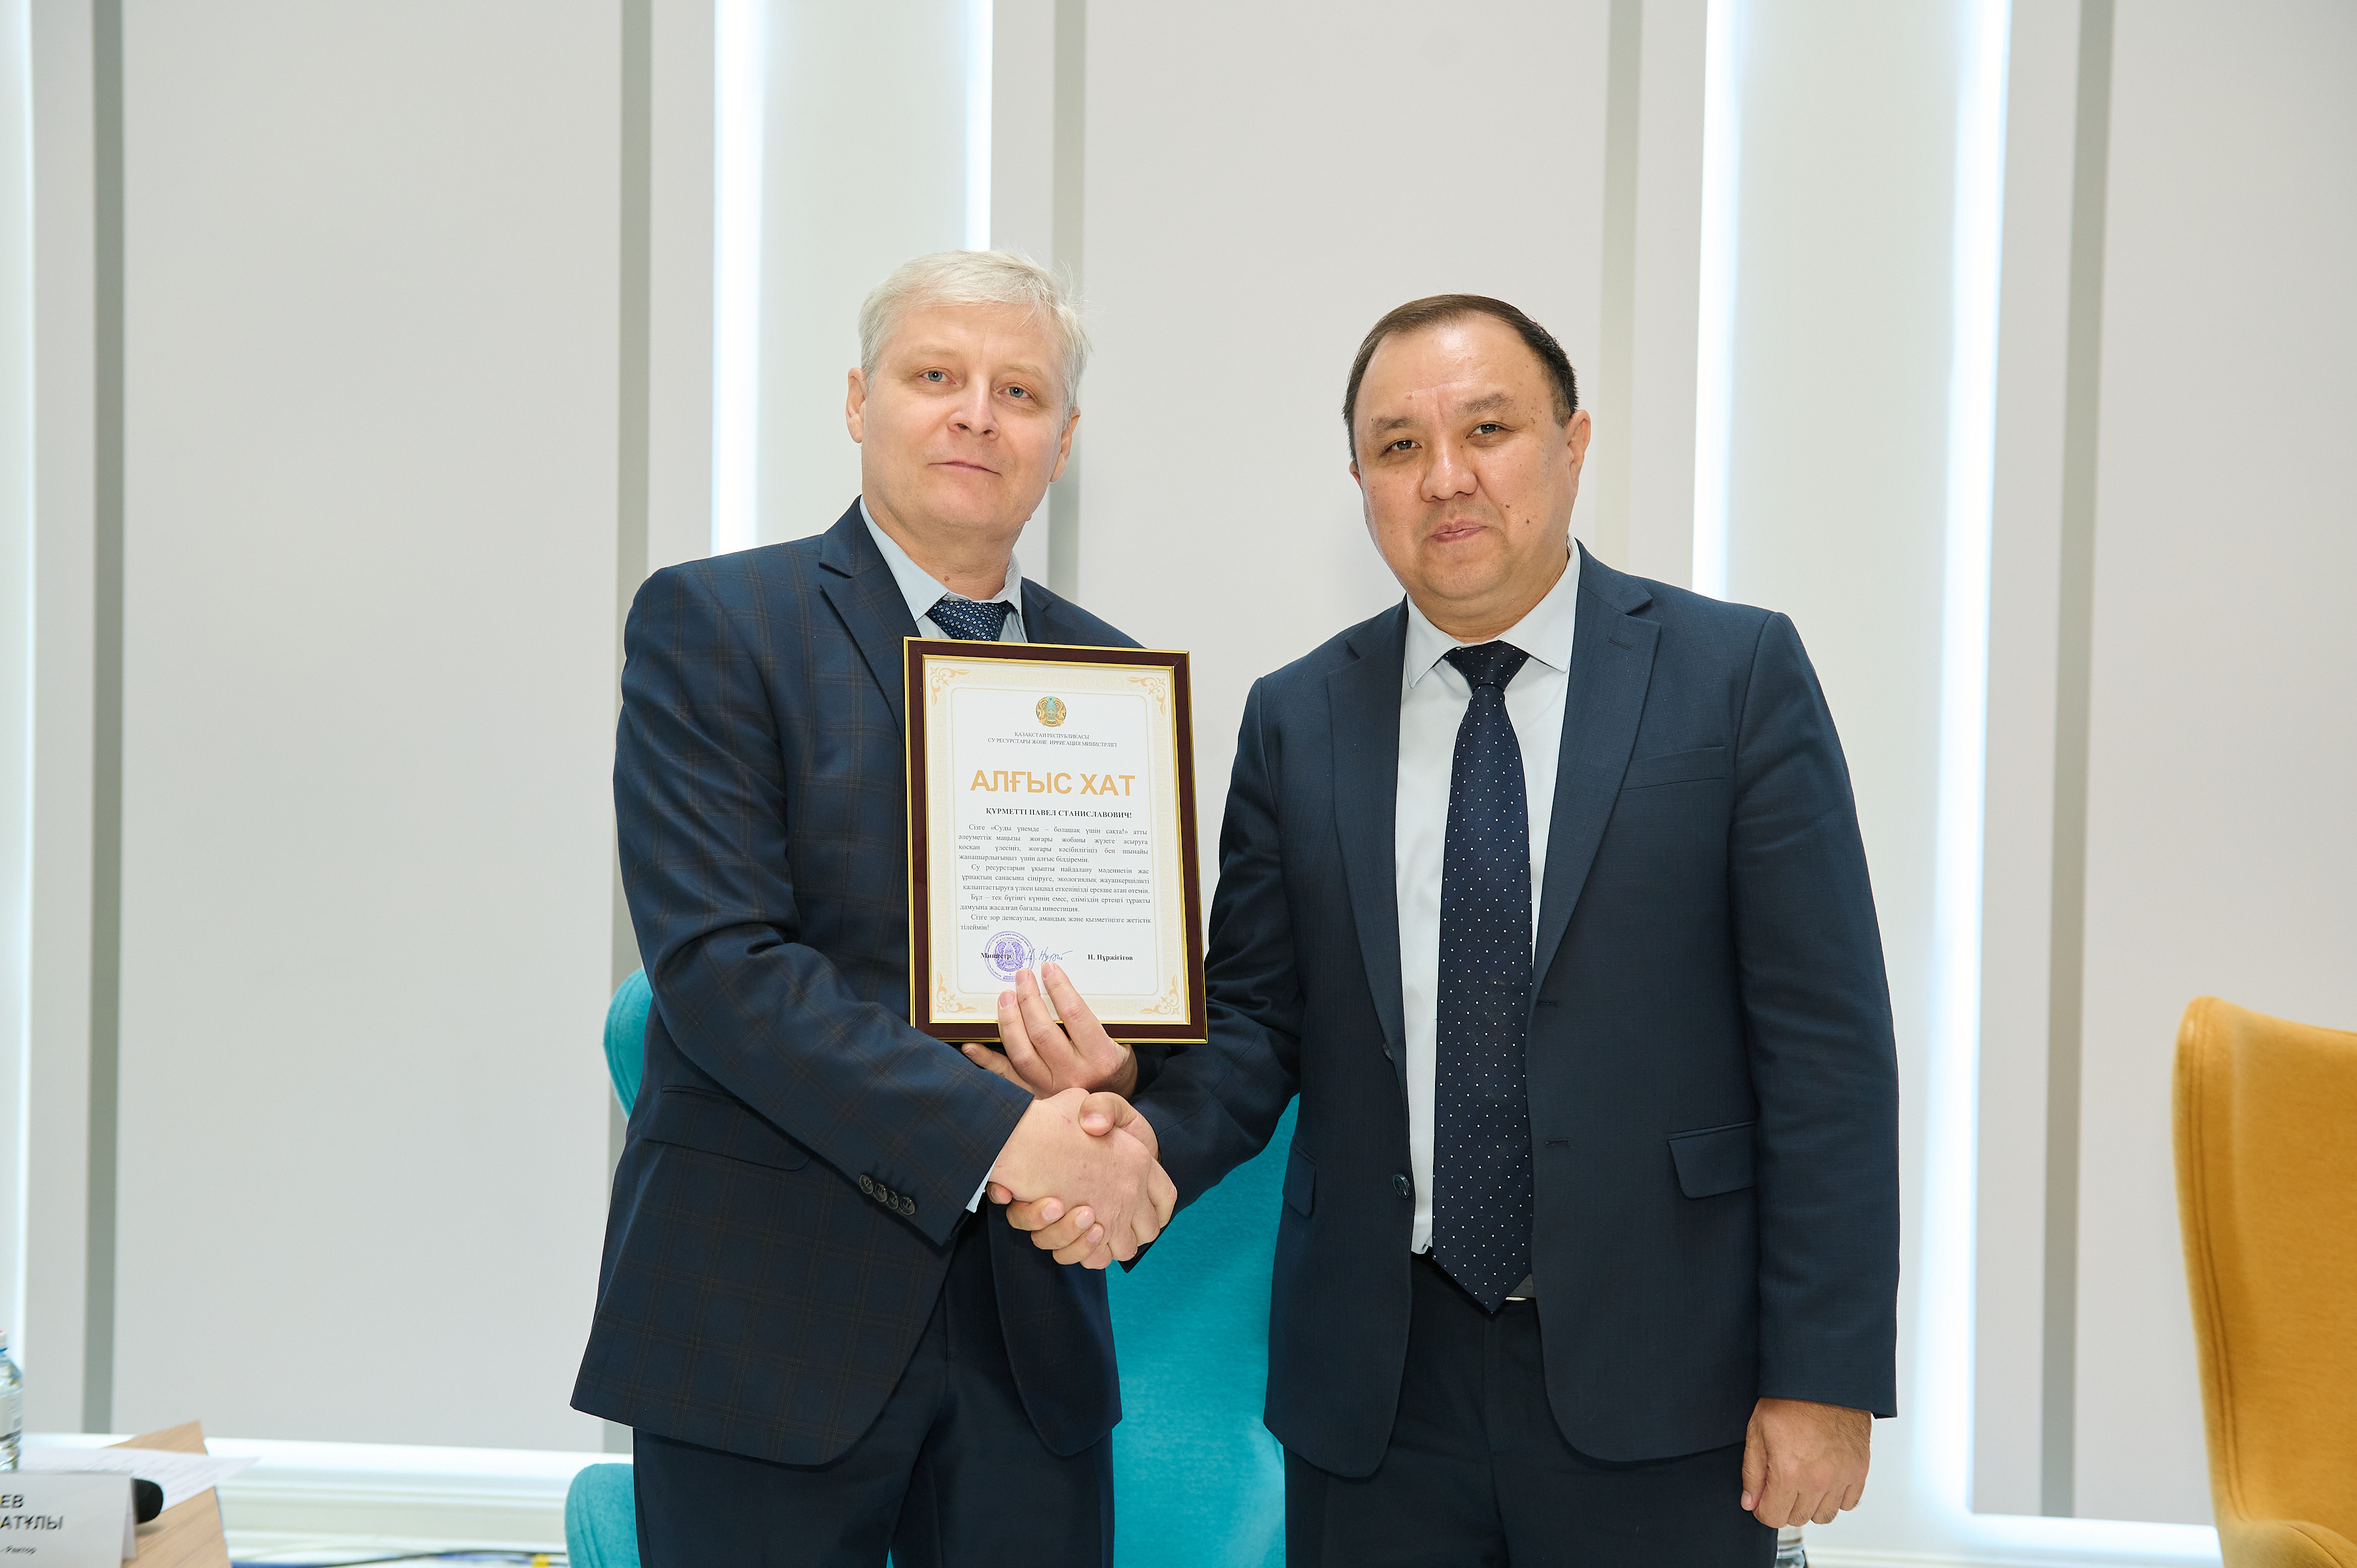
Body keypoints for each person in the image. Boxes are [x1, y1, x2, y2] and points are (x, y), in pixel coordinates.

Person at [987, 294, 1901, 1563]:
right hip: (1376, 1389)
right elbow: (1254, 1026)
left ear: (1572, 443)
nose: (1445, 476)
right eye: (1399, 445)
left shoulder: (1732, 676)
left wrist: (1823, 1373)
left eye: (1487, 429)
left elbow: (1826, 1050)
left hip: (1667, 1375)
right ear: (1359, 480)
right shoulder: (1297, 716)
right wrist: (1133, 1143)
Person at [572, 250, 1174, 1568]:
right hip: (763, 1321)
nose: (976, 414)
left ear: (1063, 440)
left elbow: (1138, 994)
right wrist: (1008, 1135)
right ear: (859, 400)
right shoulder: (716, 621)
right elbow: (724, 970)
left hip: (1029, 1339)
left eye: (1019, 390)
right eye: (934, 375)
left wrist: (1115, 1070)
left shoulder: (1114, 678)